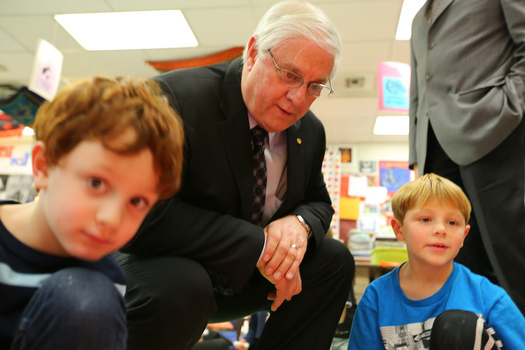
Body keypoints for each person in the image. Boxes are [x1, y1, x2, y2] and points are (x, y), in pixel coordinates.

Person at [114, 1, 355, 349]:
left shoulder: (309, 131)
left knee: (334, 261)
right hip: (156, 266)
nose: (298, 98)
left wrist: (298, 224)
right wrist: (259, 246)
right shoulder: (174, 100)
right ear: (254, 52)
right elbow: (143, 213)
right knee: (185, 285)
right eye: (290, 75)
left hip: (244, 276)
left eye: (316, 86)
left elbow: (318, 201)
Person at [0, 76, 184, 349]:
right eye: (96, 183)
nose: (111, 219)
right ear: (43, 167)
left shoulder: (106, 285)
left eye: (137, 202)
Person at [409, 0, 525, 314]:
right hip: (434, 151)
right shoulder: (418, 19)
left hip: (492, 133)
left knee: (508, 254)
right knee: (454, 259)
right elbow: (418, 93)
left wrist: (510, 103)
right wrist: (415, 156)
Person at [347, 173, 525, 350]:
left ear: (464, 235)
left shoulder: (488, 297)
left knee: (458, 325)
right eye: (425, 219)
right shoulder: (376, 297)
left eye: (452, 222)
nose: (441, 229)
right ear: (399, 229)